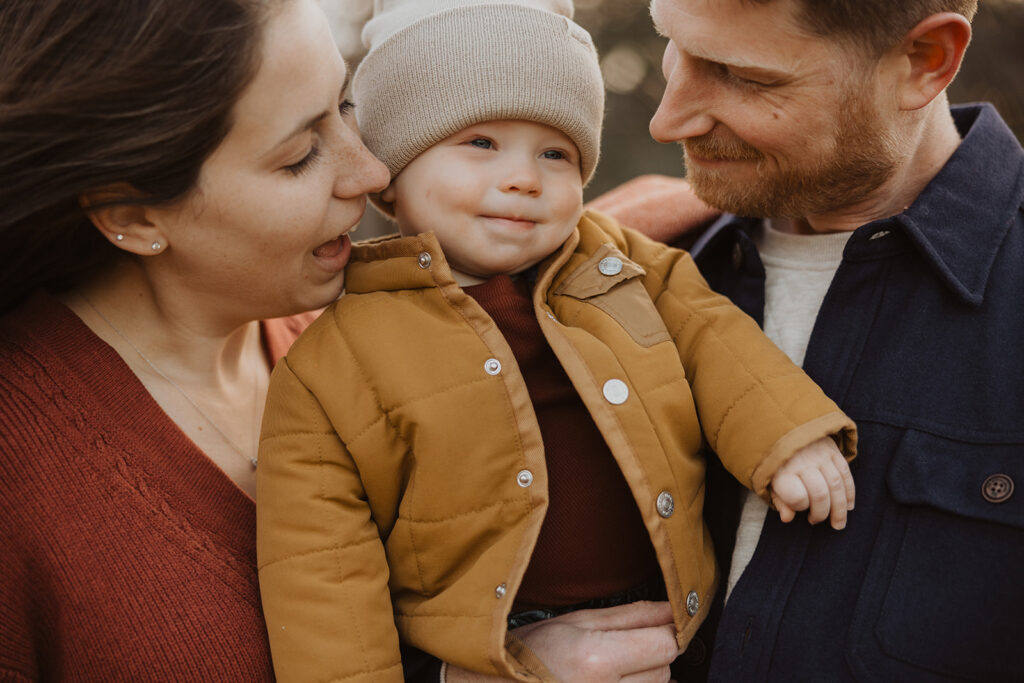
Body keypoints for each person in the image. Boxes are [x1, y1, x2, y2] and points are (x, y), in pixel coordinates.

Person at [254, 2, 859, 681]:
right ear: (391, 171)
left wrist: (787, 433)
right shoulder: (331, 364)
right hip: (494, 650)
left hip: (670, 626)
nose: (523, 177)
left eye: (556, 153)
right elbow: (322, 572)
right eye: (480, 143)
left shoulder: (626, 265)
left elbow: (717, 343)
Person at [595, 0, 1024, 679]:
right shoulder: (621, 264)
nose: (665, 119)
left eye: (742, 75)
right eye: (672, 45)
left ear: (926, 60)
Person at [0, 0, 390, 678]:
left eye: (345, 103)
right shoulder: (21, 474)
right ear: (132, 214)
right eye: (300, 157)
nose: (370, 173)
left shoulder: (362, 349)